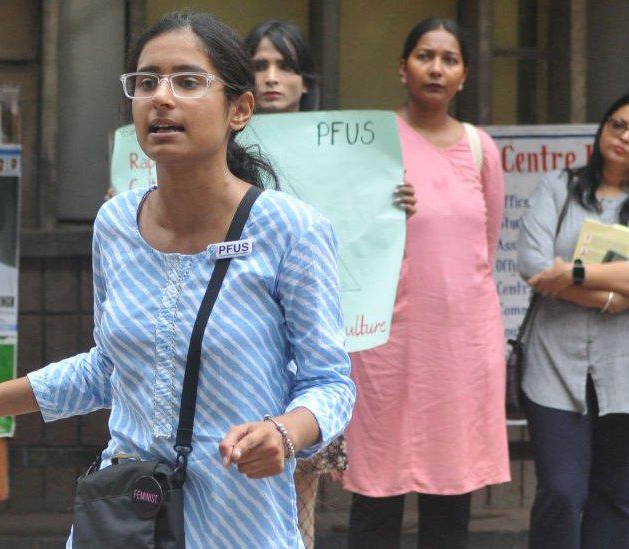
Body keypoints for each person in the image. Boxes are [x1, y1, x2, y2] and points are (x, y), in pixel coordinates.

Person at [0, 11, 355, 548]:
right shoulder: (115, 224)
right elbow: (107, 367)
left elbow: (332, 383)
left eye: (188, 81)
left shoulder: (292, 230)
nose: (161, 98)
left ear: (239, 108)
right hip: (127, 518)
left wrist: (287, 433)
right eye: (146, 82)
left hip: (238, 520)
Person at [242, 20, 417, 549]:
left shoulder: (346, 156)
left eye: (286, 66)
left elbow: (366, 240)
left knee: (298, 501)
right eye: (260, 66)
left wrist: (396, 205)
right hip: (238, 346)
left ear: (305, 81)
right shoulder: (213, 149)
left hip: (303, 355)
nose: (273, 78)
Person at [340, 18, 508, 549]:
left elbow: (487, 244)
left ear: (464, 76)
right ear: (402, 67)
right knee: (375, 495)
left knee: (450, 496)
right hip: (387, 343)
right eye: (425, 56)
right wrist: (382, 207)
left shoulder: (483, 150)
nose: (436, 68)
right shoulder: (376, 143)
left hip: (460, 343)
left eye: (449, 59)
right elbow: (345, 233)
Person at [517, 91, 629, 549]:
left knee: (614, 495)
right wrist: (614, 297)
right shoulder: (560, 186)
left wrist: (572, 273)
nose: (625, 137)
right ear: (601, 128)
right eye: (617, 125)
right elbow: (534, 264)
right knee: (561, 491)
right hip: (554, 365)